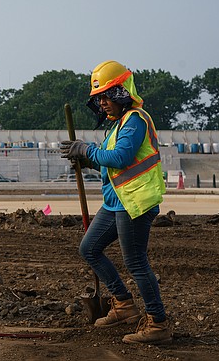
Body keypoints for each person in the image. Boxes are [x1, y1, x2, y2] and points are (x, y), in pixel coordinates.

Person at [60, 60, 172, 344]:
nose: (103, 102)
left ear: (123, 92)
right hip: (116, 202)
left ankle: (158, 324)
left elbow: (121, 158)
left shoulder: (135, 119)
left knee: (136, 263)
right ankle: (123, 305)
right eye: (99, 97)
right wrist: (87, 161)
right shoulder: (116, 125)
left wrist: (87, 149)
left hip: (134, 202)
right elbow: (113, 165)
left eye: (108, 95)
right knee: (89, 248)